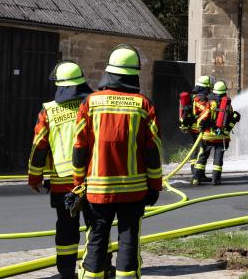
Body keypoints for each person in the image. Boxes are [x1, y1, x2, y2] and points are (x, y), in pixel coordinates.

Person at [72, 45, 163, 278]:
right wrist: (155, 186)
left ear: (108, 73)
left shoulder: (90, 103)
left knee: (96, 240)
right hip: (134, 192)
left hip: (97, 190)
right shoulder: (144, 105)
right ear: (134, 75)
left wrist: (77, 183)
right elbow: (152, 152)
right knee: (129, 241)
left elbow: (80, 148)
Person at [27, 61, 110, 279]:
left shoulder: (49, 111)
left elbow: (39, 147)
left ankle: (66, 271)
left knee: (66, 228)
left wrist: (35, 177)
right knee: (98, 225)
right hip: (94, 178)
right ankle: (101, 266)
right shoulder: (95, 105)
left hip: (63, 182)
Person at [192, 80, 237, 186]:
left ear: (214, 91)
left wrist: (200, 127)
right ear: (224, 92)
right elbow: (230, 118)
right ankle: (215, 180)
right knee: (218, 159)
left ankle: (196, 179)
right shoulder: (228, 105)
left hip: (208, 136)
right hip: (222, 137)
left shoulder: (211, 103)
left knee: (202, 156)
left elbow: (203, 117)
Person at [180, 75, 213, 181]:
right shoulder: (201, 98)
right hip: (199, 128)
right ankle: (198, 175)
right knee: (201, 151)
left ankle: (197, 173)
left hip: (193, 128)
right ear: (205, 87)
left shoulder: (193, 97)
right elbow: (205, 111)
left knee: (196, 150)